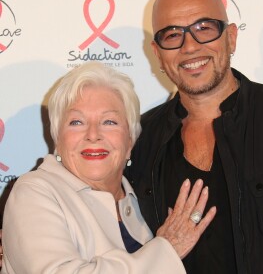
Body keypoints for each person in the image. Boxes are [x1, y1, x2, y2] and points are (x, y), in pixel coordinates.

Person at [125, 0, 263, 274]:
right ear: (157, 53)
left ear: (231, 37)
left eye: (204, 28)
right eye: (172, 35)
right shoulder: (138, 141)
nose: (190, 47)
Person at [0, 61, 216, 273]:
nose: (93, 135)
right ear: (58, 138)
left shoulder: (144, 200)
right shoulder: (33, 192)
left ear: (130, 141)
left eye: (109, 122)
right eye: (77, 122)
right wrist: (167, 249)